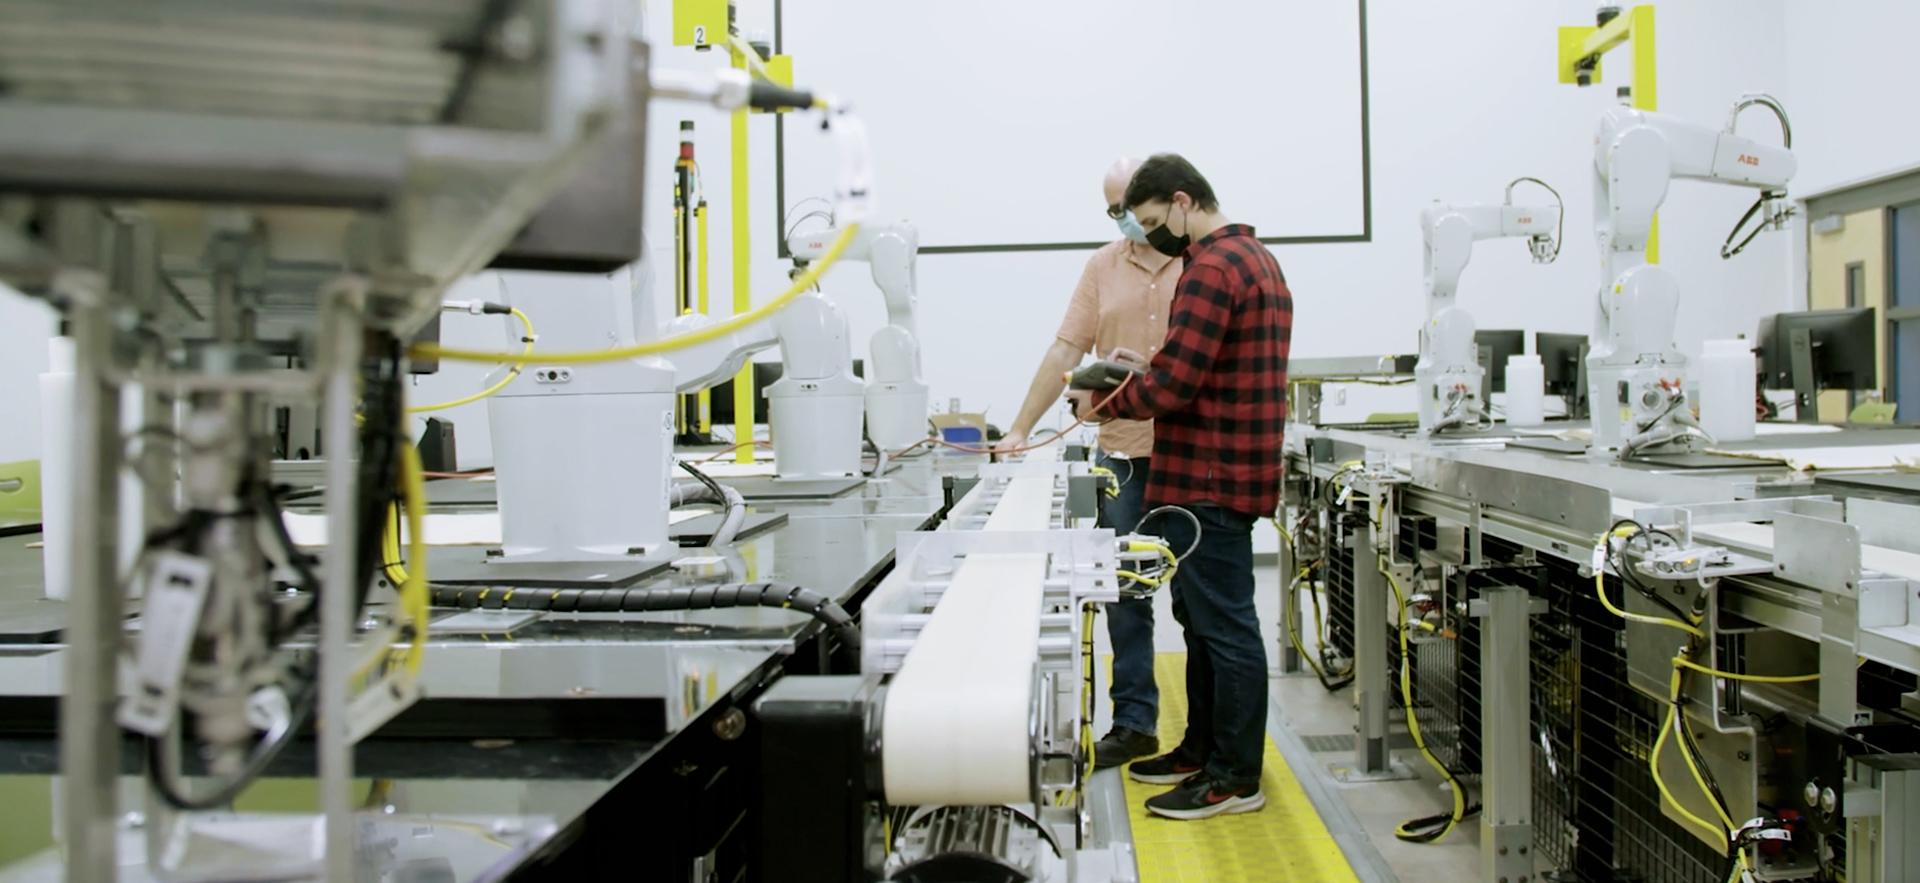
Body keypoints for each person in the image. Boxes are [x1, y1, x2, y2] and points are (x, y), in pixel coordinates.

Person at [1068, 153, 1292, 820]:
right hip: (1227, 473)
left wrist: (1099, 400)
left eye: (1153, 221)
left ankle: (1233, 776)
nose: (1151, 236)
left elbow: (1174, 387)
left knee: (1224, 628)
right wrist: (1145, 366)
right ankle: (1201, 747)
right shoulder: (1258, 260)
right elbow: (1196, 365)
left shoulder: (1211, 269)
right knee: (1202, 622)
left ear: (1183, 201)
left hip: (1209, 480)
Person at [998, 157, 1182, 770]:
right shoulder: (1102, 267)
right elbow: (1066, 349)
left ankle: (1206, 736)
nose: (1128, 220)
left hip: (1189, 455)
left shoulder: (1200, 262)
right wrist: (1021, 427)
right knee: (1124, 594)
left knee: (1200, 599)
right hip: (1123, 455)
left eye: (1135, 206)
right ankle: (1134, 724)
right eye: (1115, 211)